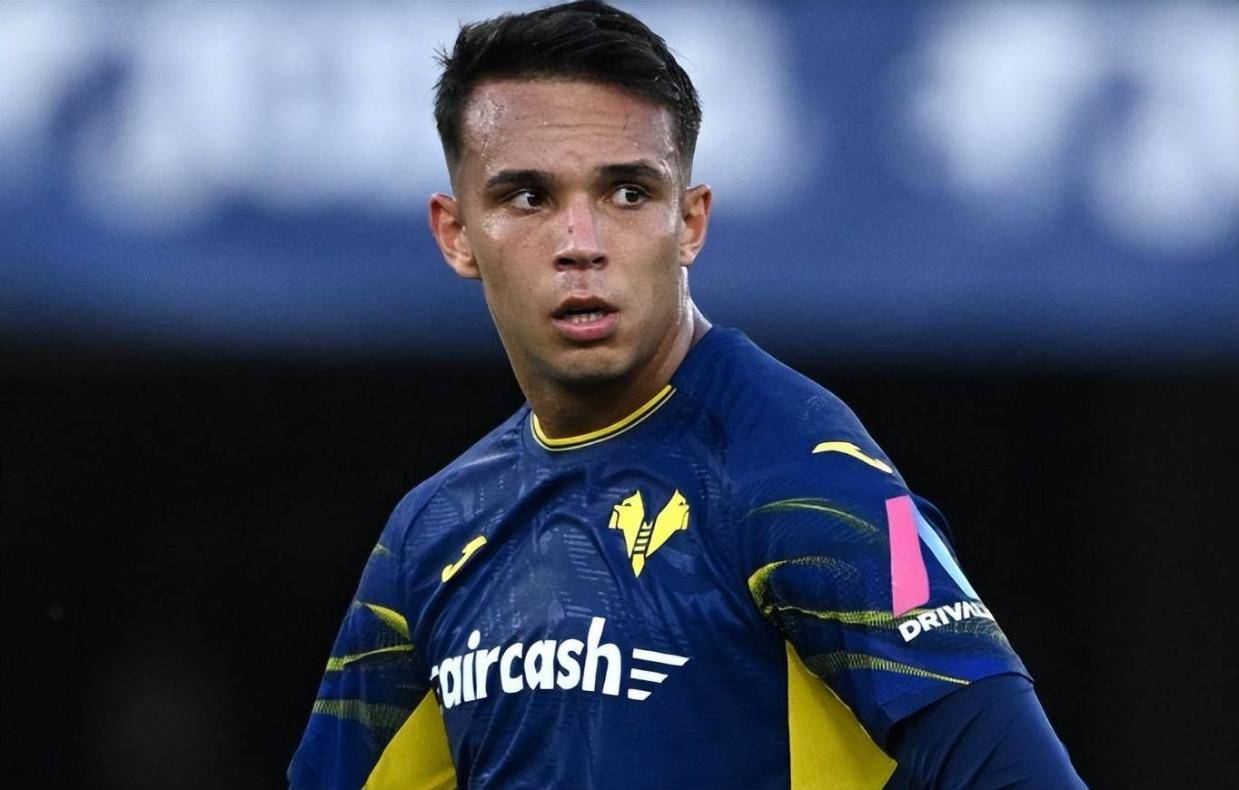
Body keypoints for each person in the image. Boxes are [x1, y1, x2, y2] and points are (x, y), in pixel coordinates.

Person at [289, 2, 1083, 787]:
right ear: (456, 233)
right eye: (528, 197)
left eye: (627, 193)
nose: (580, 244)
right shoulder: (433, 531)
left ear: (690, 222)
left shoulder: (800, 478)